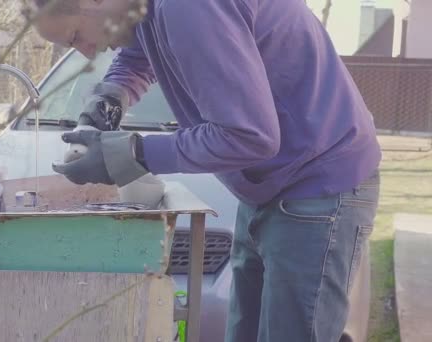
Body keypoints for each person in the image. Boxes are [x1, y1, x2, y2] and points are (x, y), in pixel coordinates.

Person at [33, 0, 381, 341]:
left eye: (76, 36)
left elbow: (248, 136)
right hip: (267, 184)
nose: (88, 53)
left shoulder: (190, 6)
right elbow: (138, 52)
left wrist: (131, 153)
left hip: (317, 184)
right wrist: (110, 95)